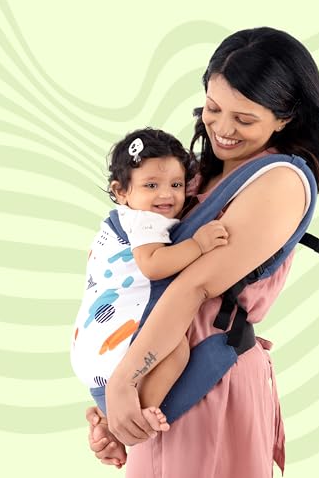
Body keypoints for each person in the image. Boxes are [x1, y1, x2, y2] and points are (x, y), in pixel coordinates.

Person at [85, 26, 319, 477]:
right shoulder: (196, 175)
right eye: (213, 108)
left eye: (244, 119)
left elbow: (197, 286)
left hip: (208, 383)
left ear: (284, 118)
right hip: (155, 378)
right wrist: (115, 414)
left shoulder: (280, 181)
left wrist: (125, 382)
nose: (222, 129)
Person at [70, 128, 229, 468]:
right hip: (116, 337)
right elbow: (154, 265)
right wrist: (198, 245)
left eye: (176, 184)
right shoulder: (145, 222)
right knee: (176, 349)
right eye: (151, 185)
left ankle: (108, 422)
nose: (166, 195)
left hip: (93, 344)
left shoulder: (124, 219)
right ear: (121, 192)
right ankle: (137, 417)